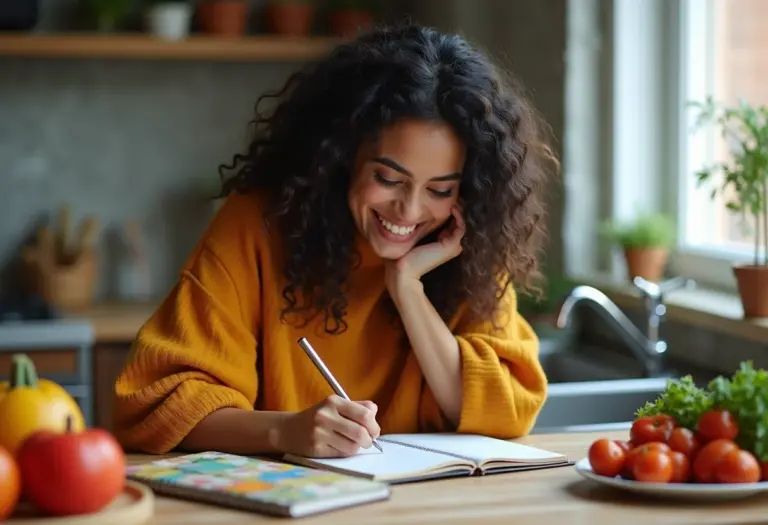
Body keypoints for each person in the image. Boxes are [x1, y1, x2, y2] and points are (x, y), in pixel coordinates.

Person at [112, 24, 559, 458]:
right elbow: (158, 404)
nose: (409, 211)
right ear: (342, 157)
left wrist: (407, 289)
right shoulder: (256, 227)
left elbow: (508, 410)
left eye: (440, 190)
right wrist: (284, 429)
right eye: (388, 178)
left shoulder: (466, 246)